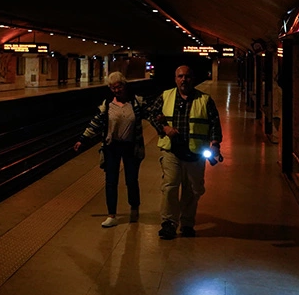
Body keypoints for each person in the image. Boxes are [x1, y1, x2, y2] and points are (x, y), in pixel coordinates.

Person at [144, 65, 223, 240]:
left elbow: (214, 123)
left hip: (196, 151)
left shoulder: (205, 99)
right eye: (180, 76)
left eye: (187, 76)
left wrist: (215, 143)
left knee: (193, 189)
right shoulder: (166, 96)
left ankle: (187, 223)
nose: (183, 80)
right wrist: (164, 128)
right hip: (171, 149)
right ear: (175, 79)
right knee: (170, 186)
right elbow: (151, 113)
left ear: (192, 79)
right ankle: (168, 223)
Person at [73, 72, 149, 228]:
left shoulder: (137, 103)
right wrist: (83, 139)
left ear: (124, 85)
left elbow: (153, 116)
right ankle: (111, 215)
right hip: (112, 147)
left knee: (131, 180)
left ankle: (134, 207)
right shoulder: (107, 105)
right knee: (110, 182)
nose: (116, 90)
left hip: (131, 147)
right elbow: (96, 124)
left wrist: (164, 127)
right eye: (113, 88)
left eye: (119, 86)